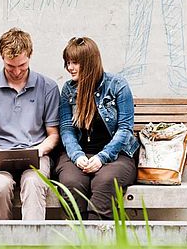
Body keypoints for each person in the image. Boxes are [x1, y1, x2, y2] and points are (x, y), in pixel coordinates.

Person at [0, 28, 60, 220]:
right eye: (10, 66)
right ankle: (3, 245)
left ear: (30, 55)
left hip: (36, 154)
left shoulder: (48, 87)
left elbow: (53, 134)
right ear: (1, 57)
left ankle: (32, 245)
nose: (17, 71)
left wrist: (39, 150)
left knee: (34, 183)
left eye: (22, 65)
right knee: (0, 186)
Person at [57, 37, 140, 220]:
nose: (70, 67)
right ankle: (76, 242)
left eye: (75, 62)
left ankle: (98, 245)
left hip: (116, 156)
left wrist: (102, 157)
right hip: (78, 155)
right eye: (68, 62)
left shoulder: (117, 85)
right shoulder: (69, 90)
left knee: (105, 182)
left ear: (89, 62)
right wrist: (77, 155)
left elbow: (125, 129)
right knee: (72, 183)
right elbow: (66, 129)